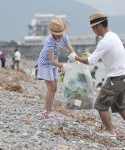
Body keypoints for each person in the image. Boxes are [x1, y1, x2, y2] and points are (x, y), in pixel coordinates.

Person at [68, 12, 125, 140]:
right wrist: (90, 56)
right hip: (123, 76)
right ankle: (111, 133)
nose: (93, 30)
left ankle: (111, 134)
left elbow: (90, 61)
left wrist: (75, 57)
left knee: (101, 105)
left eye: (93, 27)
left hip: (115, 78)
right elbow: (100, 56)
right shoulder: (114, 36)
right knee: (121, 107)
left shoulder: (104, 41)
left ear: (99, 25)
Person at [37, 17, 76, 120]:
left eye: (62, 32)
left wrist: (74, 56)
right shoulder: (49, 41)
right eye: (59, 33)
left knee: (55, 88)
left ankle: (48, 110)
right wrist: (63, 66)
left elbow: (70, 49)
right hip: (46, 64)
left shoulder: (64, 37)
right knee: (51, 88)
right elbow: (51, 60)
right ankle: (47, 112)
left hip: (54, 64)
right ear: (53, 33)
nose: (61, 34)